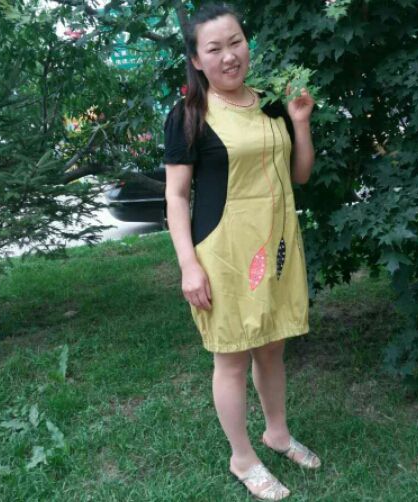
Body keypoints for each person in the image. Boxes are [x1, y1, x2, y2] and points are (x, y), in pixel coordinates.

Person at [164, 3, 319, 500]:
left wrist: (299, 122)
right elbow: (176, 196)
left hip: (275, 246)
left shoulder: (271, 104)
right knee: (230, 358)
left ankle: (277, 434)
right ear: (196, 59)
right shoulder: (189, 116)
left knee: (272, 346)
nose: (229, 56)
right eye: (214, 49)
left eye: (236, 42)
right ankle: (242, 458)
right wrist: (188, 265)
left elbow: (299, 175)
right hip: (223, 254)